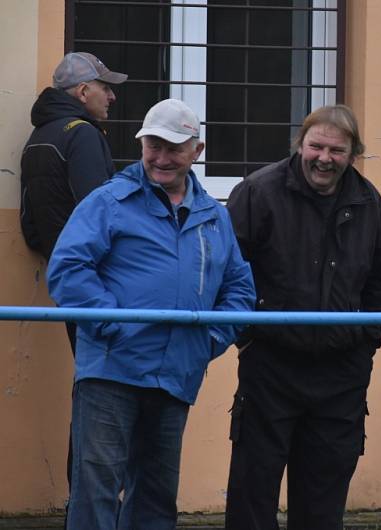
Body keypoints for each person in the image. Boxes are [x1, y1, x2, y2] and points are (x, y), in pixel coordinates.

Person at [46, 98, 256, 530]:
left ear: (197, 151)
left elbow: (239, 290)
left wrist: (207, 342)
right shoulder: (109, 201)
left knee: (156, 496)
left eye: (173, 148)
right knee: (96, 491)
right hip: (111, 371)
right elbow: (68, 268)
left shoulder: (215, 217)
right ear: (141, 145)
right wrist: (112, 325)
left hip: (176, 374)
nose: (161, 158)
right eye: (153, 146)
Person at [224, 104, 381, 530]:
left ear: (353, 153)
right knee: (252, 492)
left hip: (342, 374)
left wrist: (366, 342)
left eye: (336, 150)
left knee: (323, 499)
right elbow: (230, 272)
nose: (324, 158)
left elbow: (380, 281)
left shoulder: (368, 201)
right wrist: (246, 336)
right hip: (271, 367)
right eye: (316, 145)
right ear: (299, 144)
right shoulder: (259, 192)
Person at [20, 51, 126, 350]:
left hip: (65, 275)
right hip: (98, 276)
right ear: (83, 91)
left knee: (88, 369)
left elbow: (29, 223)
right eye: (105, 88)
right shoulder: (82, 135)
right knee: (108, 373)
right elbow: (100, 212)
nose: (112, 96)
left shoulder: (38, 136)